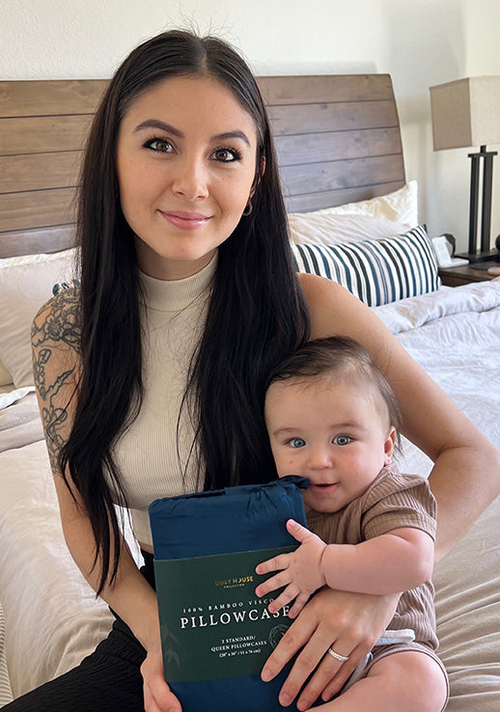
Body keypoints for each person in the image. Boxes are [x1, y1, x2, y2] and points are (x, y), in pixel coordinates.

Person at [6, 27, 499, 712]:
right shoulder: (65, 333)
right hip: (175, 603)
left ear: (257, 172)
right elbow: (84, 518)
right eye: (159, 144)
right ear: (111, 156)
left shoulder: (310, 306)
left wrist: (374, 590)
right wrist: (163, 642)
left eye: (226, 154)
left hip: (326, 586)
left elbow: (471, 455)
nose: (193, 183)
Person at [255, 335, 449, 711]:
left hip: (389, 646)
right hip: (304, 649)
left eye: (343, 439)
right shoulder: (282, 501)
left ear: (387, 446)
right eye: (296, 443)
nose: (320, 460)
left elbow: (414, 559)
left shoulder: (390, 492)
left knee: (420, 683)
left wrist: (324, 564)